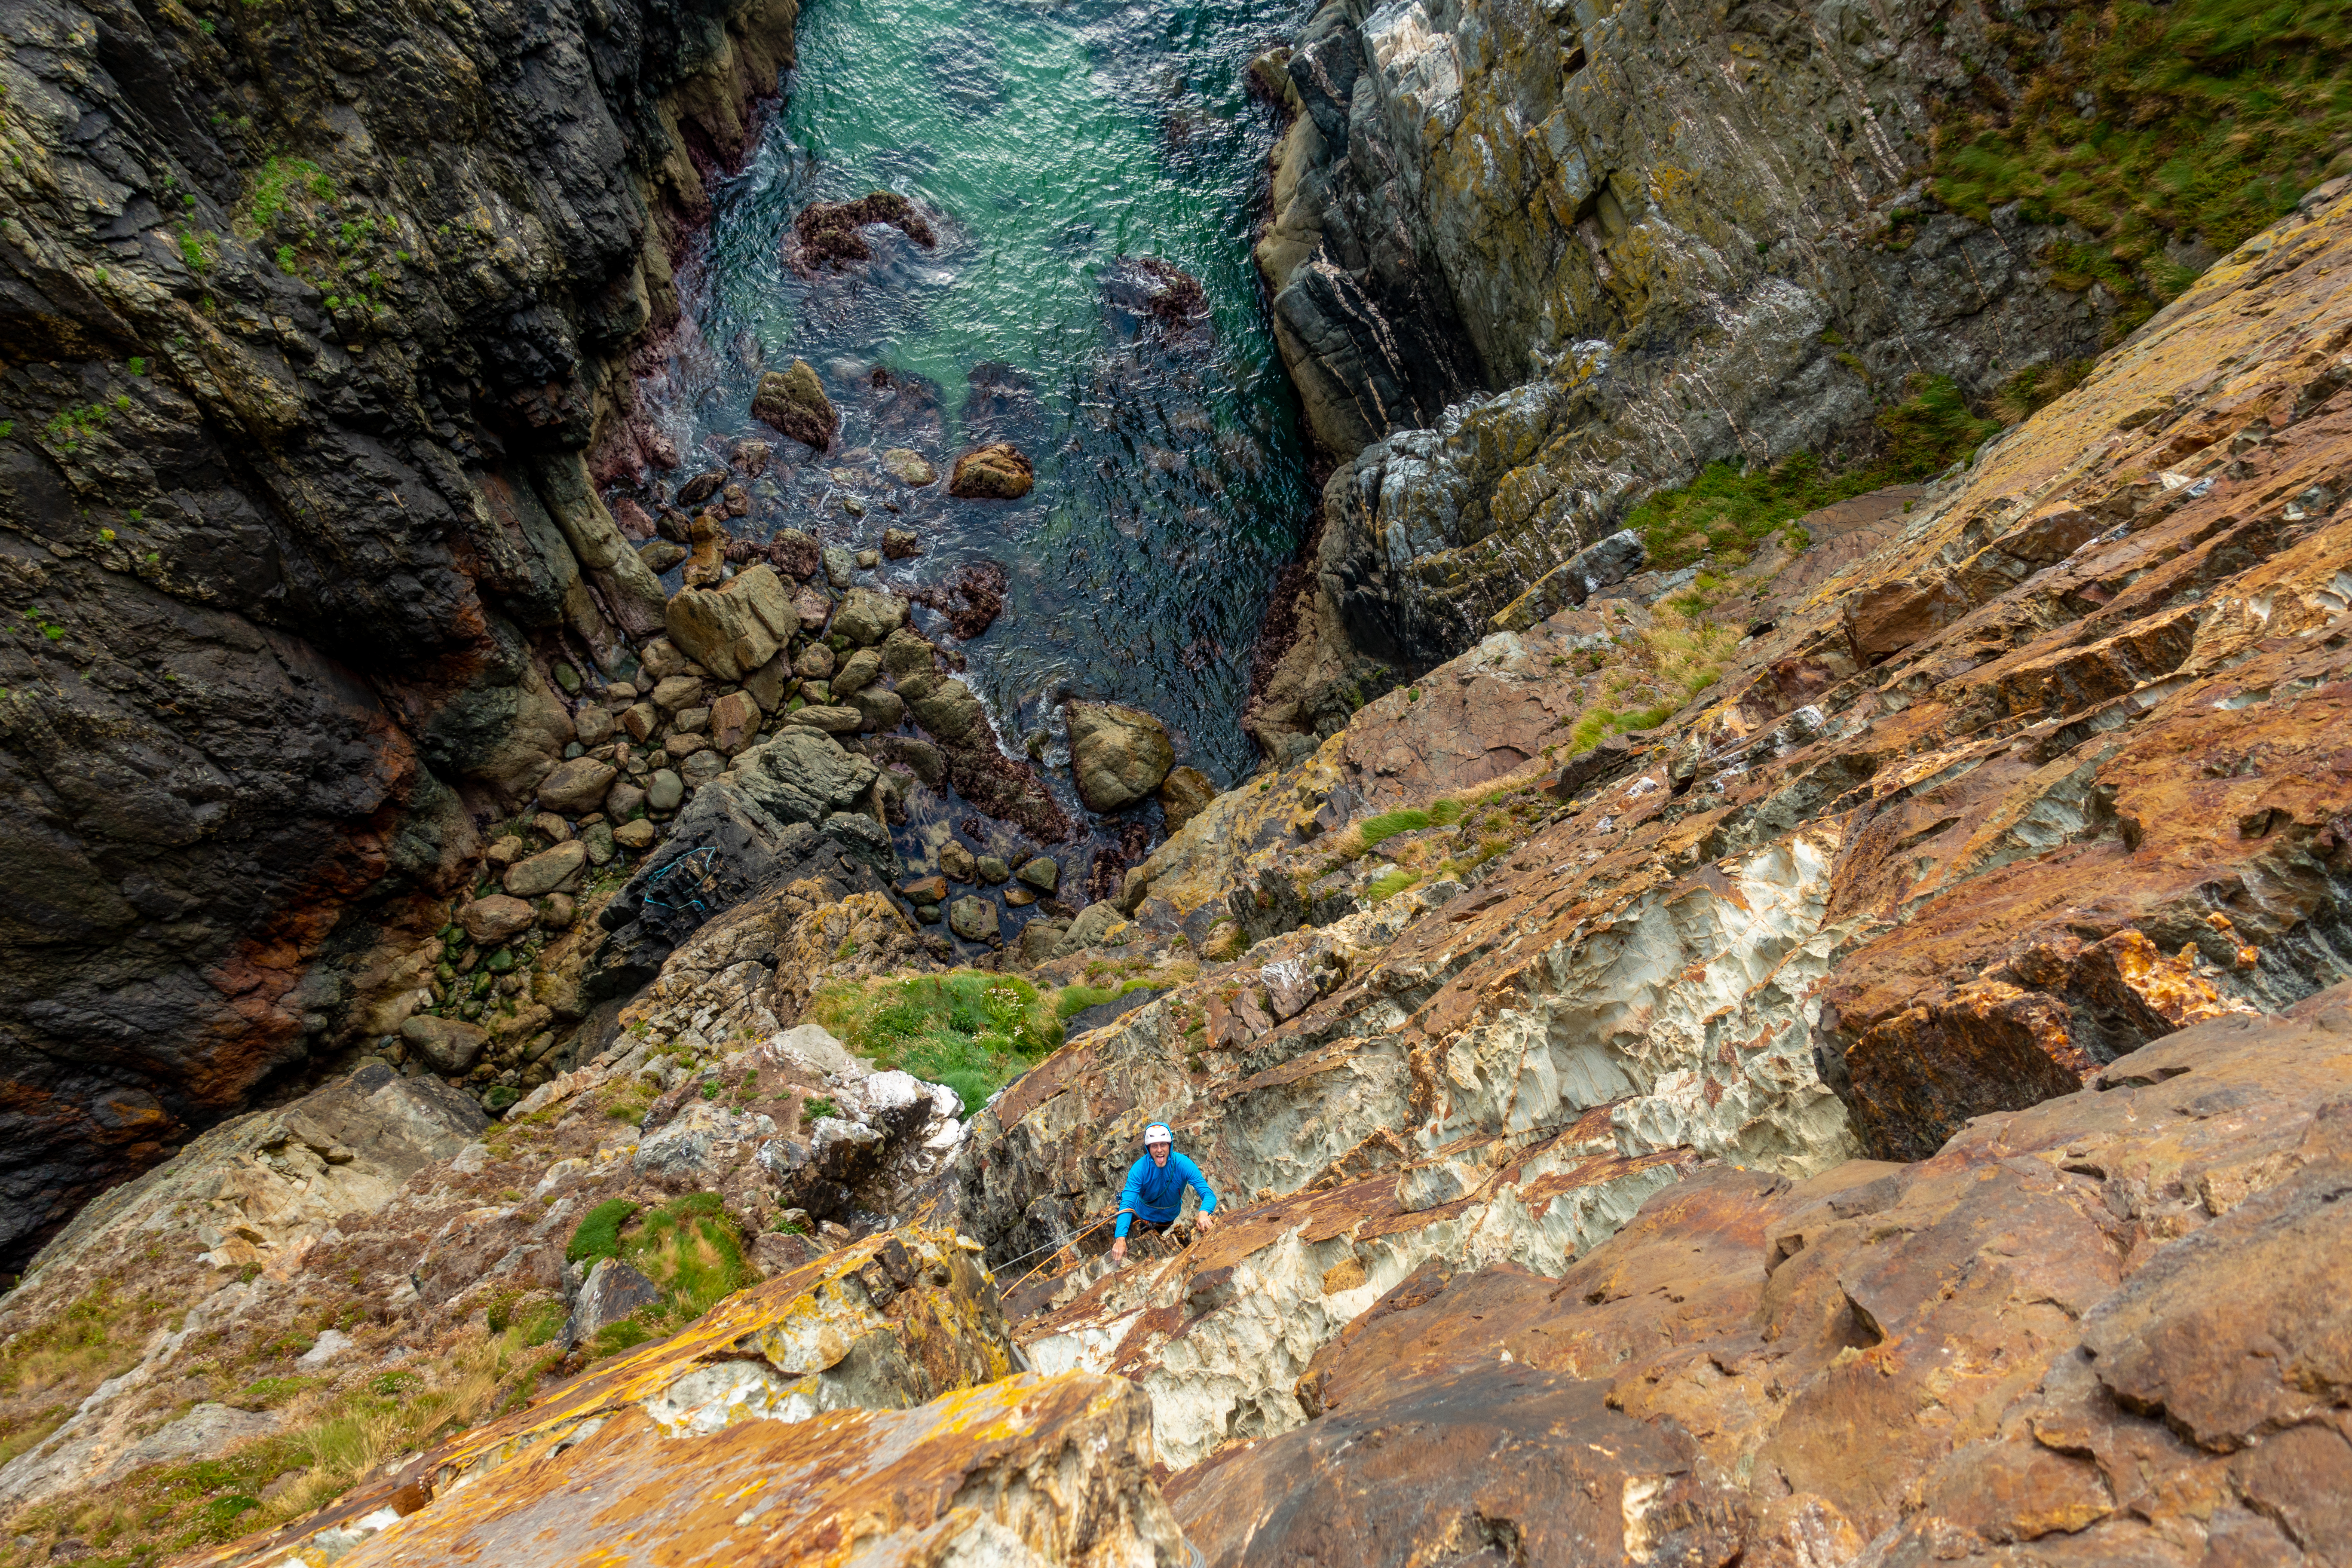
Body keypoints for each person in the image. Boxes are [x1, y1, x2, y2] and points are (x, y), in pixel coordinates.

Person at [1111, 1123, 1217, 1262]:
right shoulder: (1140, 1169)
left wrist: (1204, 1212)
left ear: (1170, 1146)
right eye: (1154, 1146)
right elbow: (1127, 1204)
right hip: (1140, 1217)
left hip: (1166, 1221)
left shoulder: (1183, 1165)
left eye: (1163, 1145)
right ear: (1148, 1149)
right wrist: (1120, 1238)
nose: (1160, 1150)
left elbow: (1208, 1194)